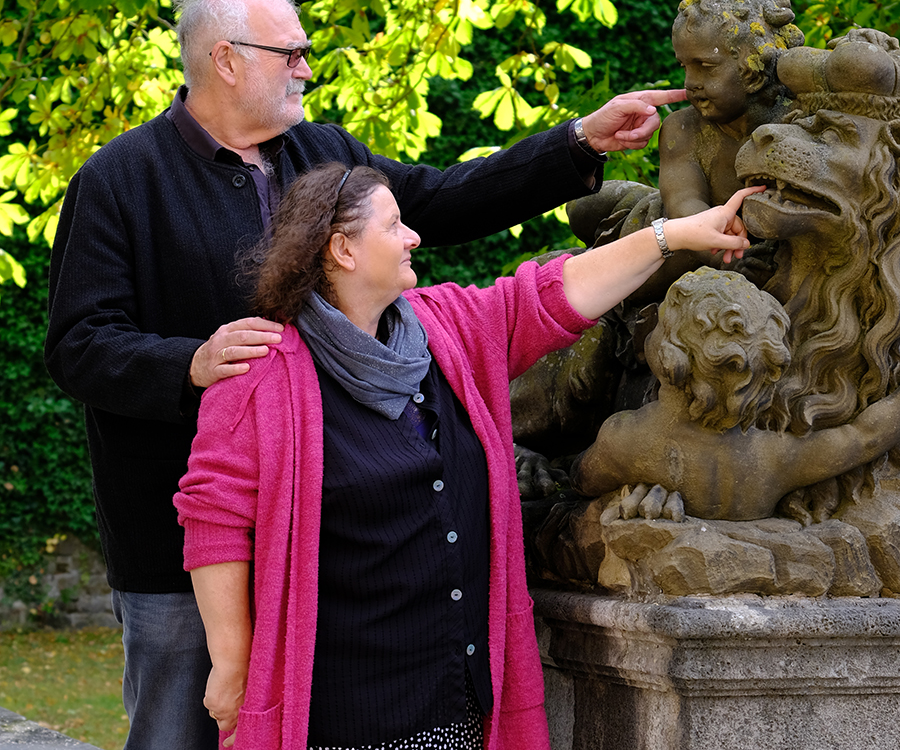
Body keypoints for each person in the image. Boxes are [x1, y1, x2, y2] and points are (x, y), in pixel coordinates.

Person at [43, 0, 686, 750]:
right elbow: (78, 345)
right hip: (177, 553)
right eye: (292, 53)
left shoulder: (321, 153)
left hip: (328, 552)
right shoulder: (118, 179)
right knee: (183, 731)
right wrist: (190, 363)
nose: (307, 68)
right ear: (226, 59)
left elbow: (443, 198)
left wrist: (576, 141)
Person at [173, 163, 761, 750]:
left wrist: (675, 235)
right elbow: (215, 523)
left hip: (455, 704)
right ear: (342, 250)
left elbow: (557, 291)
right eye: (395, 225)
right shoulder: (257, 379)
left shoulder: (444, 327)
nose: (414, 237)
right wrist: (230, 662)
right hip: (342, 713)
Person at [569, 266, 900, 521]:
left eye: (658, 324)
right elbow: (863, 438)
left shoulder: (627, 439)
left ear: (671, 359)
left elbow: (581, 480)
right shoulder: (775, 457)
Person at [659, 0, 804, 221]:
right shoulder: (682, 129)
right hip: (691, 240)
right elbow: (684, 208)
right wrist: (729, 254)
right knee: (587, 206)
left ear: (754, 69)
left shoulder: (798, 122)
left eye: (706, 67)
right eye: (684, 66)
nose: (690, 82)